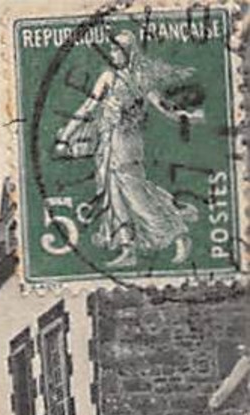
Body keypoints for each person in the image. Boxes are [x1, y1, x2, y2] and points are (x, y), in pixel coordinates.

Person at [54, 30, 202, 267]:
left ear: (129, 52)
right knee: (114, 196)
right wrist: (65, 138)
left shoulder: (141, 79)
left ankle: (176, 232)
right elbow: (88, 107)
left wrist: (186, 116)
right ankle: (128, 248)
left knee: (135, 193)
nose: (114, 54)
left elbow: (163, 105)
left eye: (118, 49)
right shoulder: (107, 77)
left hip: (127, 144)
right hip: (107, 143)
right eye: (112, 49)